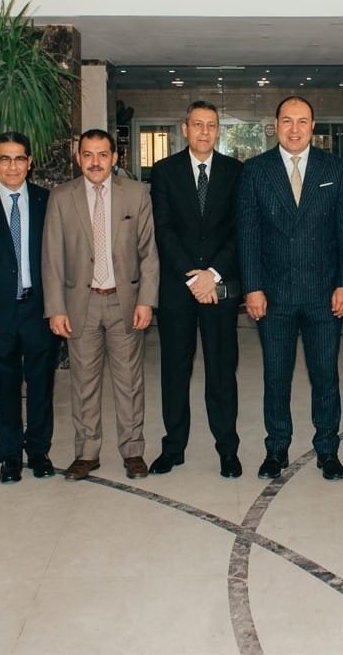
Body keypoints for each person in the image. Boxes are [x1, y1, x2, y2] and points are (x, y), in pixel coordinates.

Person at [238, 96, 343, 481]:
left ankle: (328, 449)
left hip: (324, 296)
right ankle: (276, 448)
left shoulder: (333, 168)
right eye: (287, 121)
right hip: (274, 298)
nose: (294, 129)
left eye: (302, 121)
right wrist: (252, 287)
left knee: (325, 377)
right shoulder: (256, 170)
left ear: (312, 126)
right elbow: (248, 234)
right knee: (276, 378)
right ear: (275, 125)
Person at [44, 129, 158, 481]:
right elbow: (52, 256)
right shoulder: (61, 197)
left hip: (125, 303)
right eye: (88, 155)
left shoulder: (136, 194)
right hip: (81, 303)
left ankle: (133, 451)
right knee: (84, 382)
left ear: (114, 158)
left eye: (102, 155)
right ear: (78, 157)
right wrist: (56, 308)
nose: (95, 162)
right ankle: (87, 453)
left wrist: (146, 301)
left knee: (130, 382)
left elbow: (149, 254)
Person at [148, 102, 244, 479]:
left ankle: (228, 450)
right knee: (175, 371)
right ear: (184, 128)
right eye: (198, 124)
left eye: (212, 125)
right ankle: (173, 448)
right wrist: (193, 277)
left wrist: (213, 273)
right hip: (178, 289)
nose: (205, 131)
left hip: (219, 288)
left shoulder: (235, 171)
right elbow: (163, 229)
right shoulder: (164, 171)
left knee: (222, 372)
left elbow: (240, 230)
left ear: (218, 130)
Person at [0, 132, 59, 484]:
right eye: (5, 158)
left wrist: (59, 308)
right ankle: (10, 455)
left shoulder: (47, 201)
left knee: (41, 385)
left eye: (19, 158)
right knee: (4, 388)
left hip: (39, 309)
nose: (12, 166)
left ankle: (39, 451)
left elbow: (59, 258)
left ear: (29, 162)